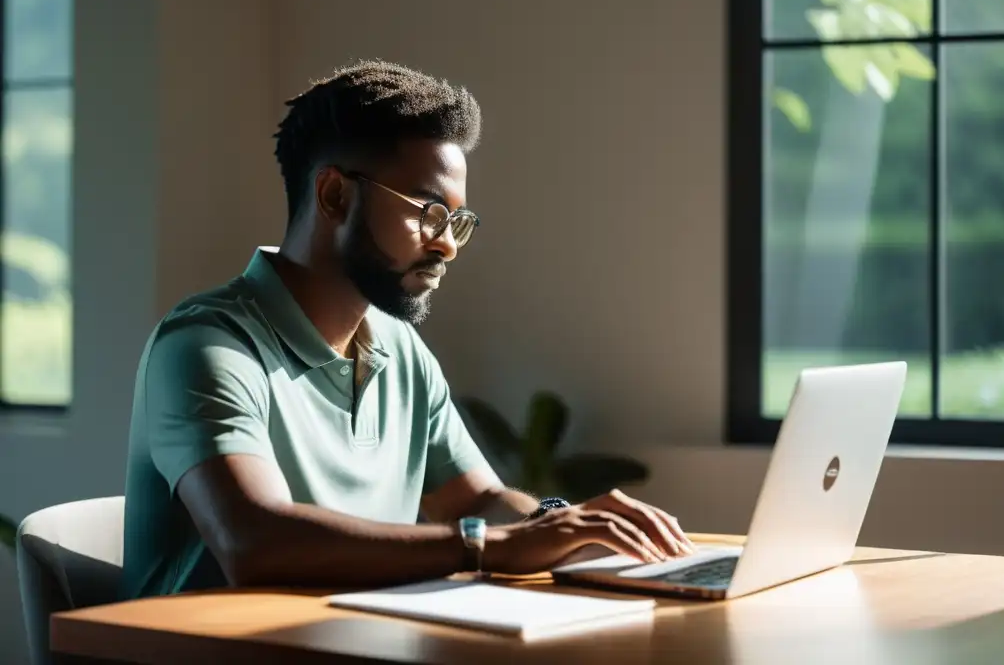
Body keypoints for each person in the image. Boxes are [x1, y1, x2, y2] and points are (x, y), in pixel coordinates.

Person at [119, 60, 693, 599]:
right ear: (334, 194)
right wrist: (489, 547)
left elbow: (476, 497)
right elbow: (253, 541)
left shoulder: (400, 350)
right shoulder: (208, 346)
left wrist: (564, 525)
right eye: (427, 212)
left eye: (456, 221)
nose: (446, 243)